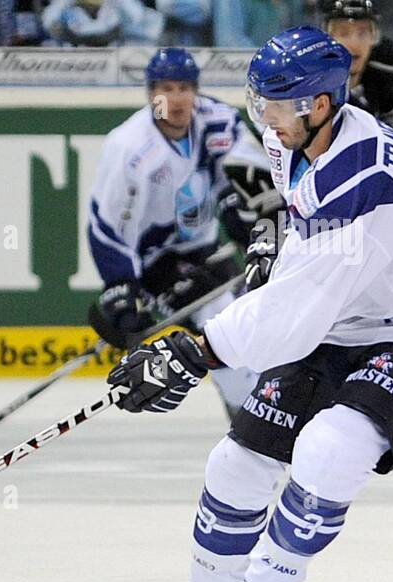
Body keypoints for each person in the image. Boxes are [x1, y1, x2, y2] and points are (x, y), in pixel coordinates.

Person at [109, 27, 393, 582]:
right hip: (347, 321)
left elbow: (299, 310)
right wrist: (280, 239)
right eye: (258, 102)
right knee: (235, 462)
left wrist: (197, 352)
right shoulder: (292, 130)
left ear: (320, 105)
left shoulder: (364, 176)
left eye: (276, 104)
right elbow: (304, 231)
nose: (263, 117)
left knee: (328, 447)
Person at [85, 47, 270, 418]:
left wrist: (239, 209)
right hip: (156, 261)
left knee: (252, 326)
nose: (176, 99)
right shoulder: (129, 148)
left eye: (185, 88)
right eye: (166, 89)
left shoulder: (217, 119)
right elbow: (106, 228)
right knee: (223, 323)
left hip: (205, 248)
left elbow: (252, 173)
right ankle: (252, 420)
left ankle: (253, 411)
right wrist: (123, 289)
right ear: (150, 94)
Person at [321, 0, 393, 147]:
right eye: (344, 33)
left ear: (374, 38)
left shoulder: (387, 72)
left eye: (362, 33)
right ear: (328, 38)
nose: (354, 43)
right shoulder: (312, 83)